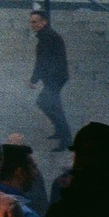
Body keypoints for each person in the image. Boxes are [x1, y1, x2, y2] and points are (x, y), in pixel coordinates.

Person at [29, 10, 71, 148]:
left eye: (35, 21)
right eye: (31, 22)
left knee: (46, 103)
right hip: (55, 76)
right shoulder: (47, 36)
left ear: (44, 21)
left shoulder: (47, 37)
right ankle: (61, 132)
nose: (32, 24)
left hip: (55, 77)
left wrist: (34, 79)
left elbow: (43, 60)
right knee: (52, 104)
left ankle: (66, 138)